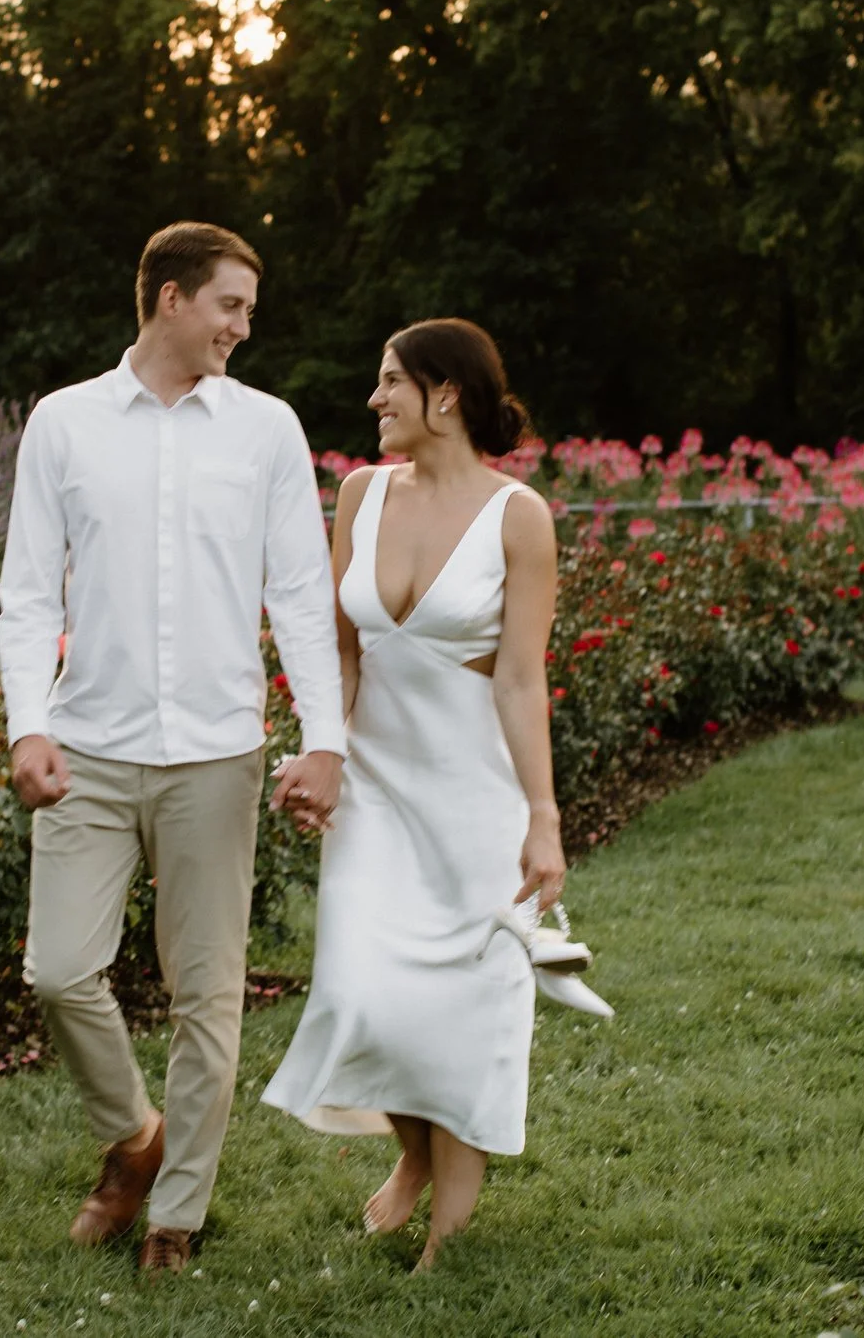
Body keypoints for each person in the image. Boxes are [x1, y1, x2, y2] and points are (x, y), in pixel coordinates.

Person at [0, 222, 349, 1276]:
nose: (244, 325)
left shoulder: (265, 429)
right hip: (89, 747)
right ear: (168, 297)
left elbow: (296, 593)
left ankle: (175, 1213)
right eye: (231, 304)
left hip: (214, 754)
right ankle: (138, 1135)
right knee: (59, 970)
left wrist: (322, 738)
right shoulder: (62, 423)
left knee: (208, 993)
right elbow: (24, 591)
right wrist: (27, 720)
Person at [261, 316, 565, 1272]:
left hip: (475, 794)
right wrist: (322, 754)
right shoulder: (359, 493)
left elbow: (520, 678)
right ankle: (411, 1151)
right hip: (377, 788)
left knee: (469, 1004)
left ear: (446, 394)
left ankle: (449, 1233)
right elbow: (342, 650)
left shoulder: (521, 517)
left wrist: (543, 819)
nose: (374, 398)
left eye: (390, 381)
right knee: (361, 987)